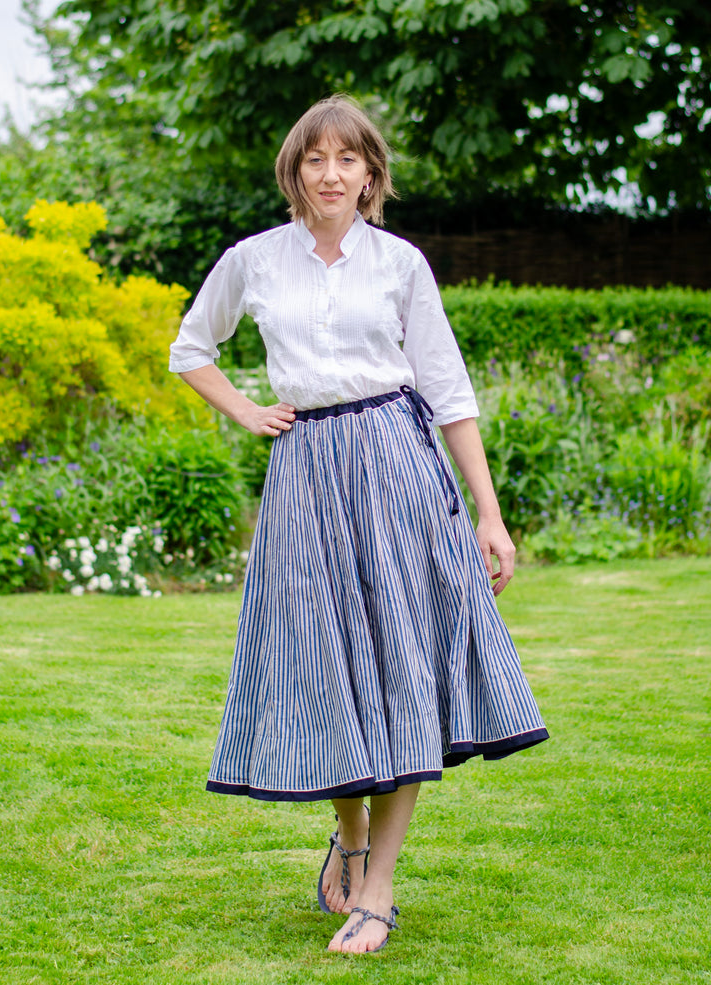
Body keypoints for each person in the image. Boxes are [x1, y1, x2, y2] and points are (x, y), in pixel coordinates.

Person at [169, 94, 548, 955]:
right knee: (330, 663)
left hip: (397, 465)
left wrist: (489, 513)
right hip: (307, 476)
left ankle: (377, 891)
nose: (331, 174)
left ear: (371, 173)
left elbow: (447, 389)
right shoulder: (254, 260)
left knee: (403, 663)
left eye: (348, 160)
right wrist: (246, 412)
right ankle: (351, 835)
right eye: (315, 160)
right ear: (295, 173)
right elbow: (192, 346)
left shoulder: (401, 264)